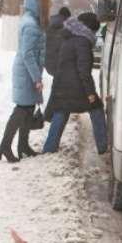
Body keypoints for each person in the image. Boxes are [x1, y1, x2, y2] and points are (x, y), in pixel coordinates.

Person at [41, 13, 108, 155]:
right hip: (77, 87)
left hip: (62, 84)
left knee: (61, 113)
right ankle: (103, 147)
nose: (94, 34)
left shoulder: (68, 37)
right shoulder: (83, 41)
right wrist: (90, 92)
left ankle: (49, 148)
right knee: (97, 110)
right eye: (94, 31)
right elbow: (83, 71)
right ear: (90, 29)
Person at [0, 0, 50, 163]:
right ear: (37, 4)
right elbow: (28, 54)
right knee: (21, 110)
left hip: (28, 71)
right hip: (26, 72)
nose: (48, 6)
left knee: (27, 110)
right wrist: (37, 78)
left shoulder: (32, 21)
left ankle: (23, 146)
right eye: (45, 3)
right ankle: (5, 145)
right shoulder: (31, 25)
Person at [45, 6, 71, 77]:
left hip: (48, 62)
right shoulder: (66, 28)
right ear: (67, 16)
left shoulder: (48, 25)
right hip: (60, 63)